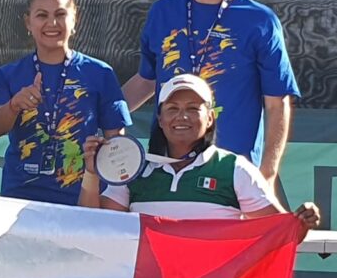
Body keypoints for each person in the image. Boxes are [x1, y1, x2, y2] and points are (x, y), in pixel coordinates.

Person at [122, 0, 300, 187]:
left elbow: (277, 103)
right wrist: (101, 117)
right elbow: (147, 79)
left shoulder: (260, 20)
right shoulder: (162, 13)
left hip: (232, 175)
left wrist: (267, 173)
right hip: (167, 173)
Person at [81, 74, 319, 236]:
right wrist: (92, 174)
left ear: (210, 118)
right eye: (172, 109)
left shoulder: (234, 168)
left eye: (193, 109)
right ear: (160, 120)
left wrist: (303, 222)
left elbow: (280, 233)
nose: (182, 117)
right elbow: (96, 229)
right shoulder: (136, 169)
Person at [0, 0, 132, 205]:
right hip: (21, 198)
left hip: (81, 199)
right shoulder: (8, 74)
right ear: (28, 22)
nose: (52, 23)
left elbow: (118, 140)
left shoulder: (100, 73)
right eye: (42, 15)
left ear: (74, 20)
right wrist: (14, 105)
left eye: (60, 14)